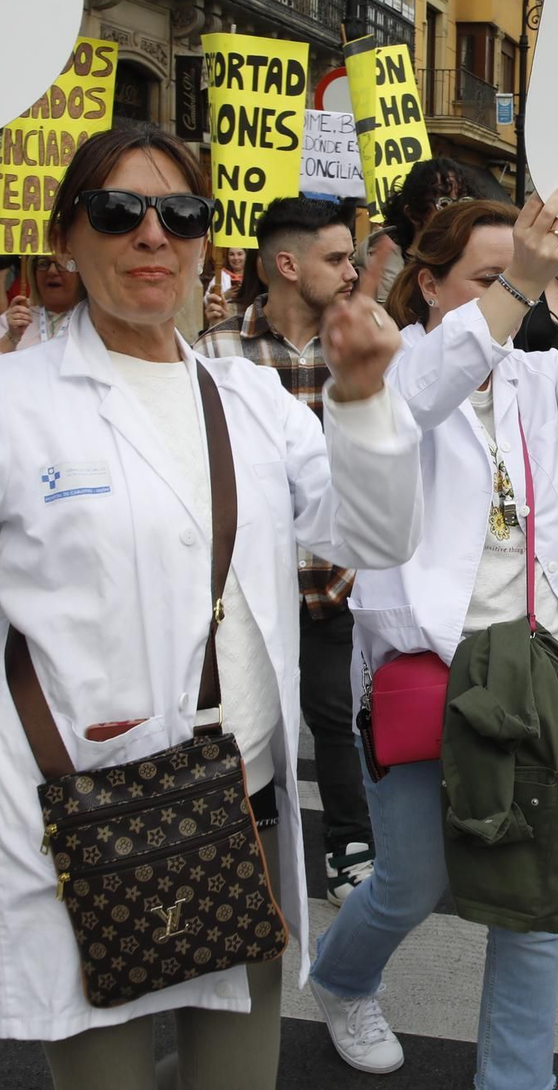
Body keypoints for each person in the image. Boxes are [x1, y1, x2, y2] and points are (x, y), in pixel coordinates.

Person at [0, 123, 424, 1089]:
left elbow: (377, 540)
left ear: (203, 241)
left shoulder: (250, 400)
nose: (151, 234)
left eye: (179, 213)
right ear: (66, 237)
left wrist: (363, 399)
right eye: (117, 210)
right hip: (86, 823)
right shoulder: (1, 401)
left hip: (238, 816)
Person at [308, 160, 558, 1088]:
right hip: (428, 670)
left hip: (534, 669)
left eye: (515, 274)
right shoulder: (396, 364)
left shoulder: (534, 376)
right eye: (488, 276)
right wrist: (524, 281)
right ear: (431, 283)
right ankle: (340, 976)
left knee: (532, 899)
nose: (509, 293)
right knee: (410, 879)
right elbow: (411, 404)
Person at [197, 196, 377, 907]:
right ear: (286, 263)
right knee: (244, 718)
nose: (351, 270)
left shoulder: (360, 342)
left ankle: (349, 843)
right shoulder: (217, 350)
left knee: (335, 715)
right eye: (336, 257)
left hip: (333, 580)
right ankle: (239, 842)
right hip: (249, 586)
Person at [0, 255, 85, 358]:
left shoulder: (94, 320)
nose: (51, 271)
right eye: (43, 263)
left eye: (62, 263)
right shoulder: (16, 318)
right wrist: (11, 337)